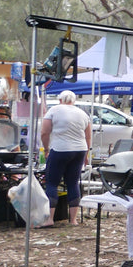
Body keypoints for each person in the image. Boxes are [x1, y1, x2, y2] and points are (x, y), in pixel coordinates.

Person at [39, 90, 92, 227]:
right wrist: (86, 154)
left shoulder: (54, 110)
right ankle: (73, 219)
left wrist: (46, 149)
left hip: (60, 149)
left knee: (52, 183)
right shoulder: (83, 113)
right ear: (73, 101)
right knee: (73, 183)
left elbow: (45, 132)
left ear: (60, 100)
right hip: (80, 149)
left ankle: (50, 218)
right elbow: (88, 136)